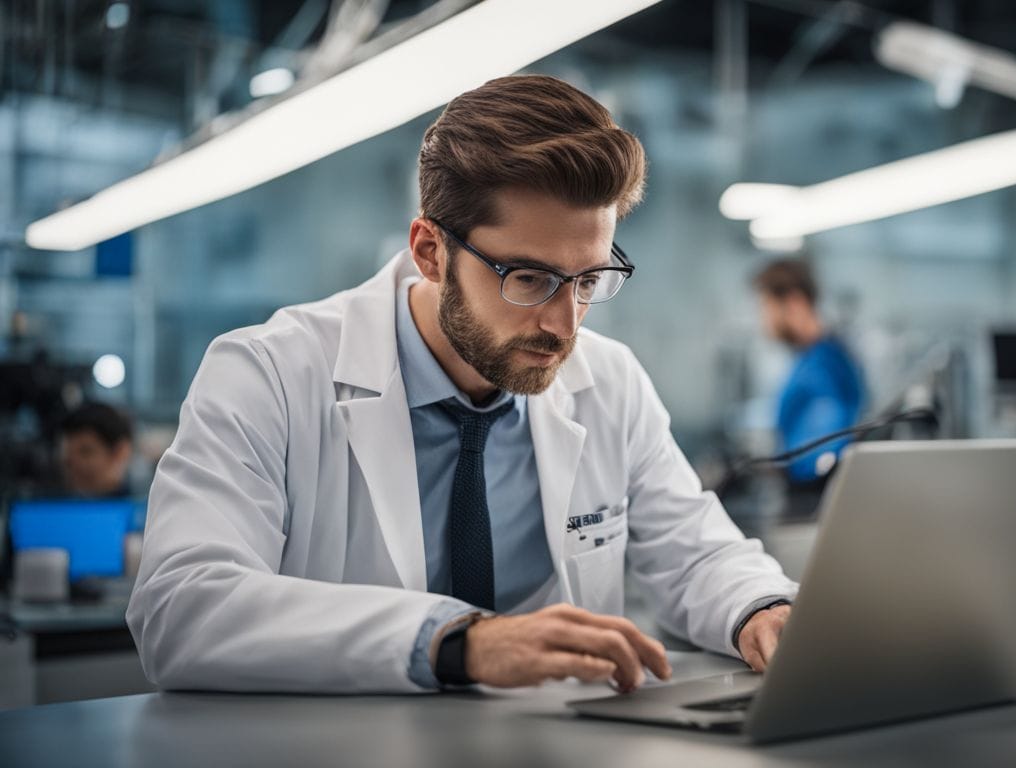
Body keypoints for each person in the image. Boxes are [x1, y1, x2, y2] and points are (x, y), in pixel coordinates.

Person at [127, 75, 797, 694]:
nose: (565, 326)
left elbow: (693, 551)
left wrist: (762, 609)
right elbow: (182, 607)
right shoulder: (268, 374)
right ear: (430, 252)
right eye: (529, 278)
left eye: (589, 280)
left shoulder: (609, 381)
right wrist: (455, 643)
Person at [753, 259, 866, 486]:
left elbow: (825, 451)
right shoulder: (811, 359)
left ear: (794, 303)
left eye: (767, 307)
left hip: (812, 497)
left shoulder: (824, 364)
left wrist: (784, 469)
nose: (764, 321)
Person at [60, 401, 133, 498]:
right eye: (69, 454)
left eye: (86, 452)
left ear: (120, 452)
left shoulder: (145, 509)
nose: (75, 463)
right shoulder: (55, 507)